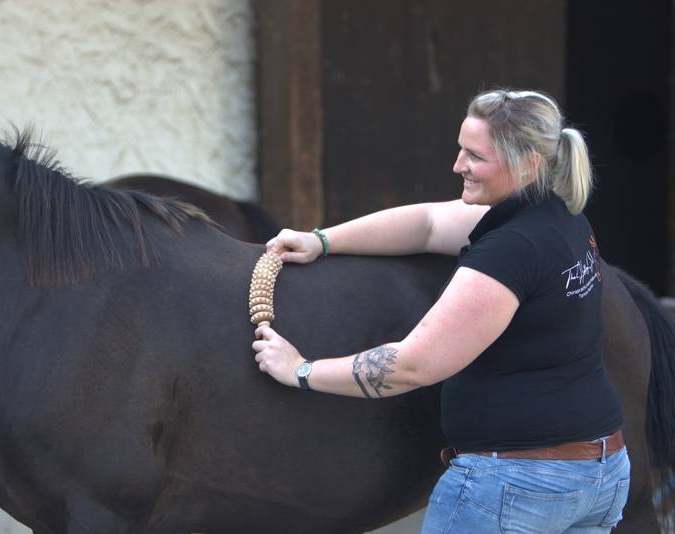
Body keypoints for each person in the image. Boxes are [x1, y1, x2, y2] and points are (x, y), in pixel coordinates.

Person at [252, 89, 630, 533]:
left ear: (527, 163)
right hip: (599, 471)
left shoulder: (512, 250)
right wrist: (323, 240)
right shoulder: (558, 216)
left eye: (475, 156)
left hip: (516, 484)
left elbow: (410, 366)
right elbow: (429, 224)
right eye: (460, 149)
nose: (457, 165)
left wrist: (300, 370)